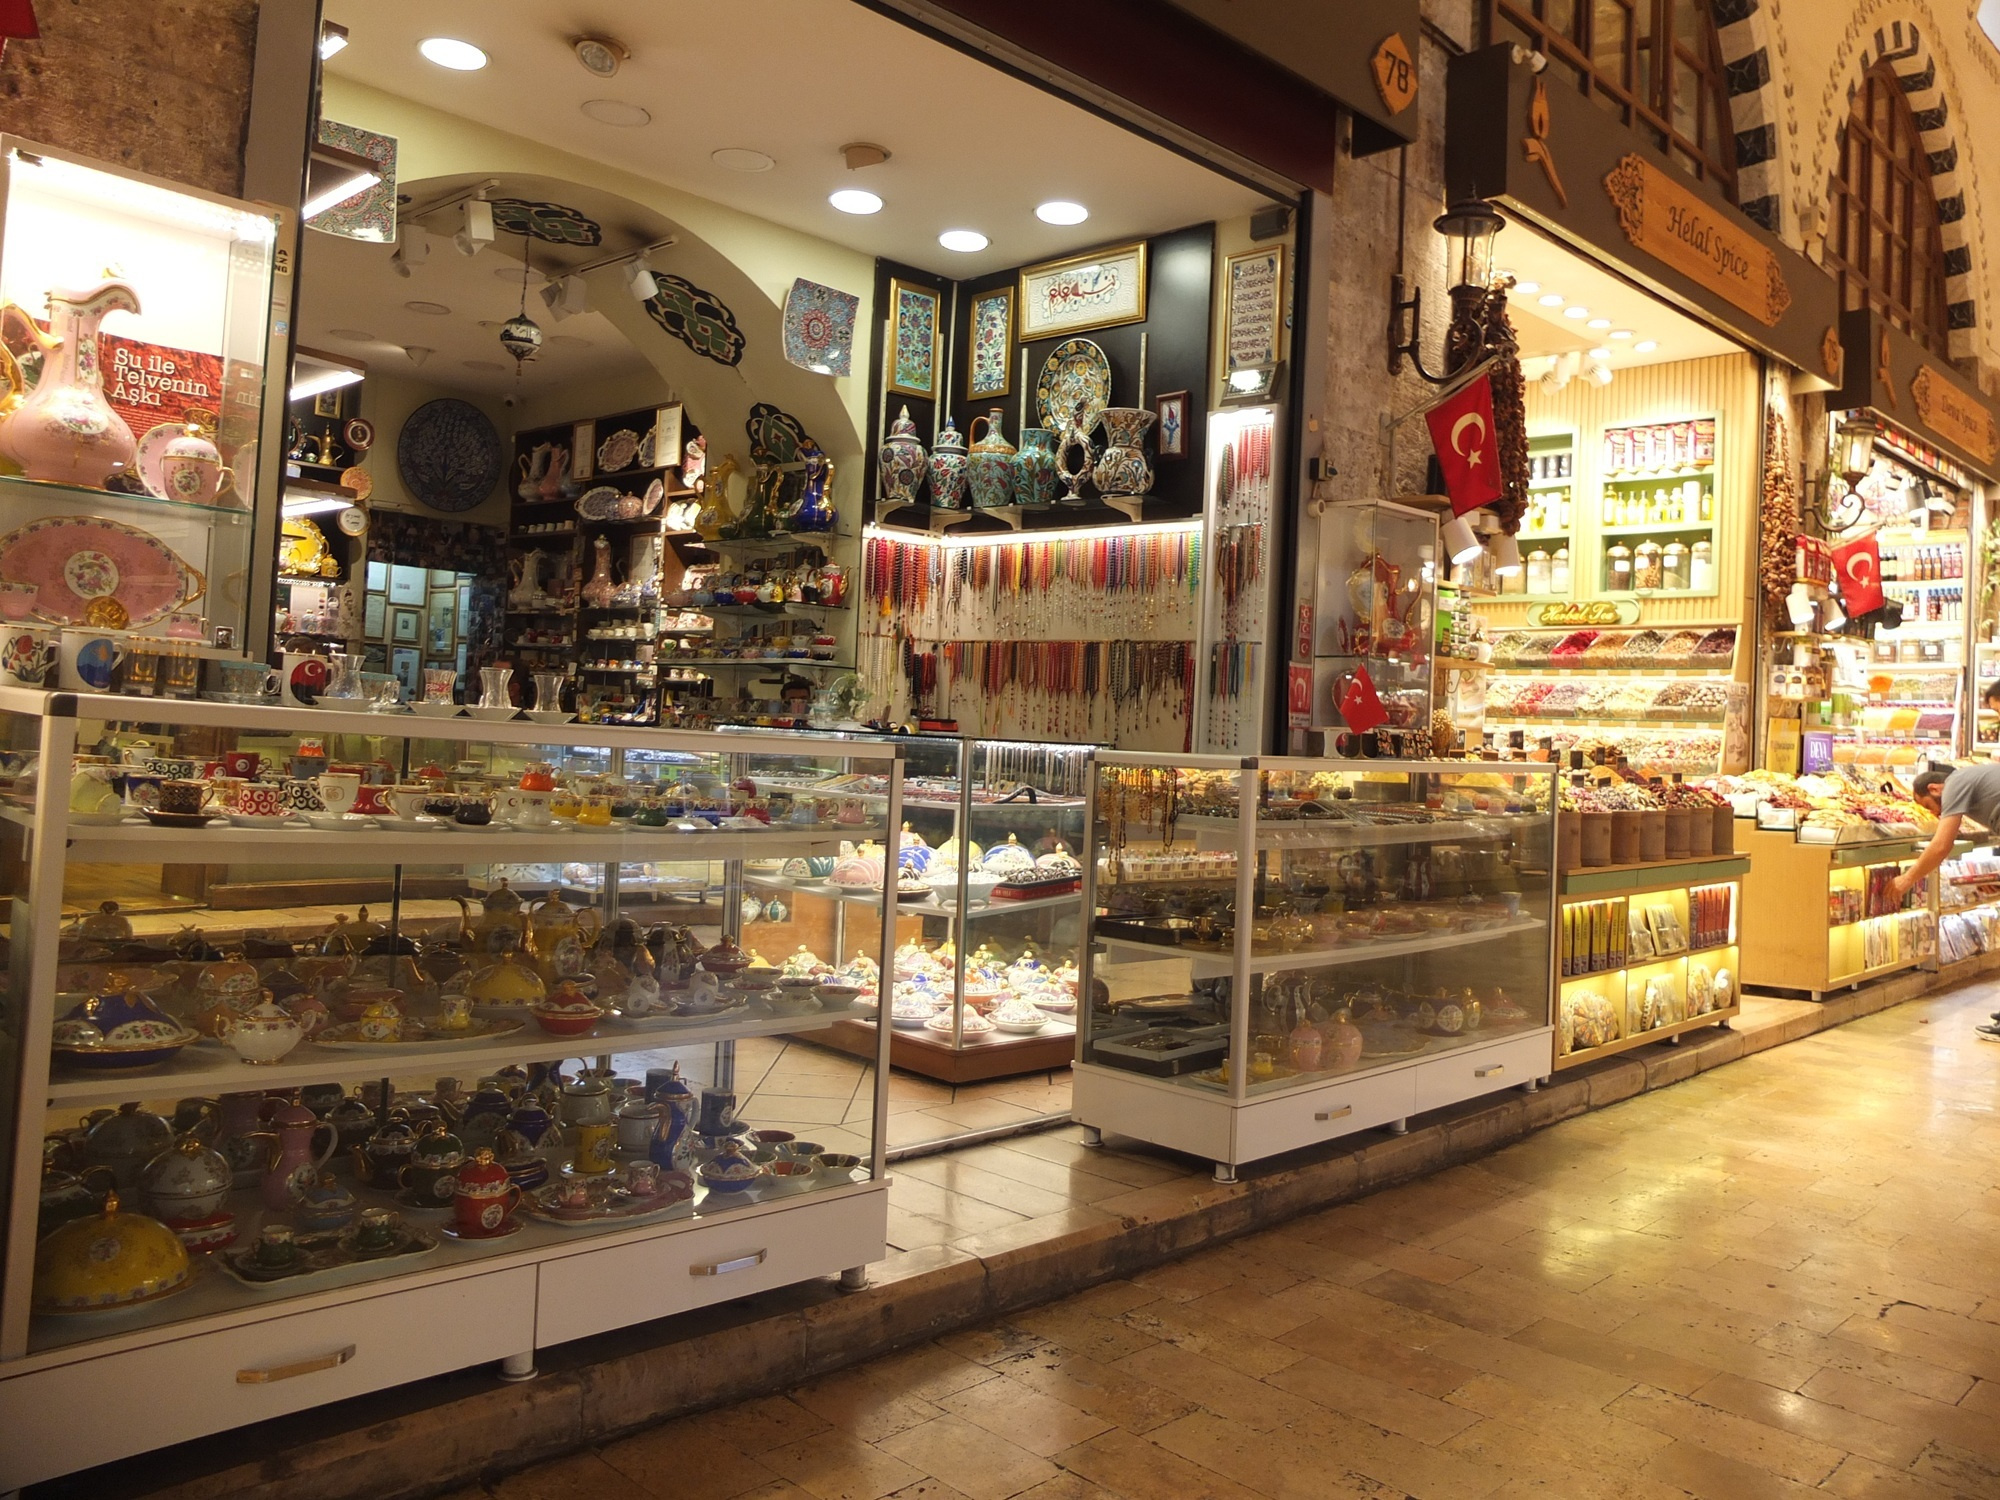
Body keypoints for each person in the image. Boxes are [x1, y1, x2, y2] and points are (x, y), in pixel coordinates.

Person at [1895, 765, 2000, 1040]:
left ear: (1934, 789)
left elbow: (1942, 845)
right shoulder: (1972, 779)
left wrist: (1907, 879)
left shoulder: (1954, 784)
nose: (1933, 814)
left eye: (1927, 805)